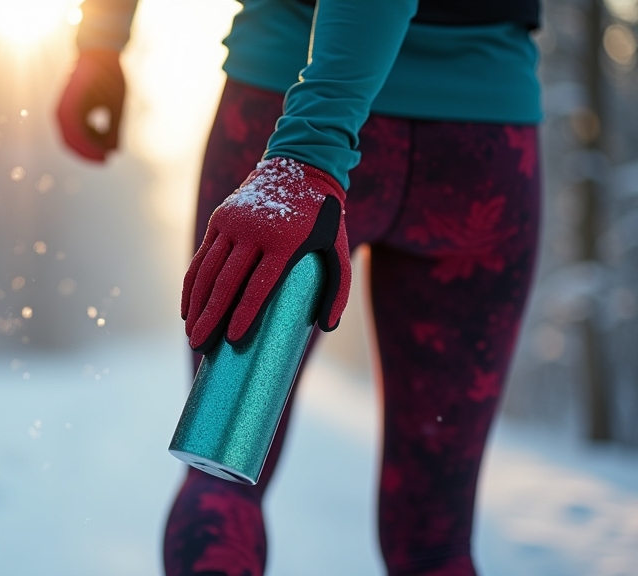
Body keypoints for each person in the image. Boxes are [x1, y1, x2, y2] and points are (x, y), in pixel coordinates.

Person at [55, 0, 543, 574]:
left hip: (289, 113)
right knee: (434, 543)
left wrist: (102, 42)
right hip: (481, 144)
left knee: (221, 476)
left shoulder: (304, 142)